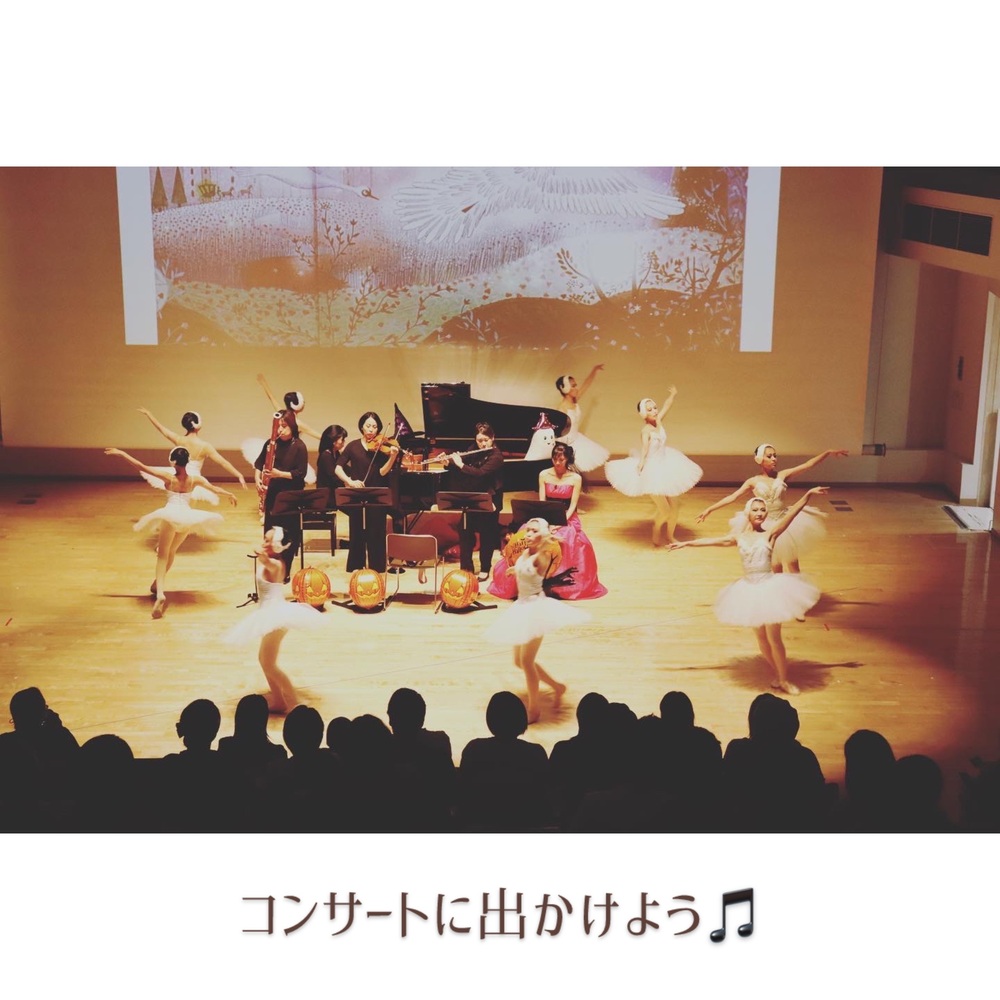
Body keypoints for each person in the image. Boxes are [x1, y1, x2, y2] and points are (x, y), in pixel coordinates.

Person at [668, 486, 830, 695]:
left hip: (770, 589)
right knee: (761, 639)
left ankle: (783, 679)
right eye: (756, 510)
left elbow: (791, 515)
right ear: (748, 513)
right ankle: (778, 674)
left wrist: (807, 495)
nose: (760, 513)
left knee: (774, 639)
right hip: (749, 591)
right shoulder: (739, 537)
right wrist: (687, 544)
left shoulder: (771, 534)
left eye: (762, 510)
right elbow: (713, 541)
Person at [105, 445, 237, 618]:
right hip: (187, 518)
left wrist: (122, 454)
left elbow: (141, 466)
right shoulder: (194, 480)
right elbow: (215, 489)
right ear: (187, 462)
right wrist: (229, 494)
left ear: (174, 462)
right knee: (172, 551)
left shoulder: (168, 478)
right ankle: (156, 584)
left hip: (170, 516)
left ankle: (160, 594)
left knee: (162, 554)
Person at [483, 518, 590, 723]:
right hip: (522, 606)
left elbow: (541, 559)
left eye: (534, 531)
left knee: (526, 661)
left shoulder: (542, 555)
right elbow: (524, 568)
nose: (529, 534)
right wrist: (515, 570)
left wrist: (547, 539)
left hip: (535, 609)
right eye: (528, 531)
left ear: (542, 535)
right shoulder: (526, 552)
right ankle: (558, 687)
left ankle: (534, 709)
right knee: (518, 661)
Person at [694, 444, 848, 572]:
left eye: (775, 455)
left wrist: (827, 453)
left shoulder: (783, 475)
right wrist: (710, 509)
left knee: (793, 565)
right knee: (776, 565)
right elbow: (732, 497)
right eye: (769, 456)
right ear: (760, 459)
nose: (774, 458)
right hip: (766, 525)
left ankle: (797, 594)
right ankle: (780, 594)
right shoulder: (753, 481)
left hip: (785, 522)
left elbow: (808, 465)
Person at [223, 527, 325, 713]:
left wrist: (261, 551)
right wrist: (264, 548)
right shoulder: (272, 561)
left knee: (269, 663)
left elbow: (263, 558)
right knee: (264, 660)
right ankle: (279, 701)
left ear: (277, 545)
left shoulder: (276, 564)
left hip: (275, 617)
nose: (264, 543)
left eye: (268, 541)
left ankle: (295, 704)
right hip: (270, 614)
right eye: (264, 539)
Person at [488, 442, 607, 600]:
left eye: (561, 460)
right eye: (554, 459)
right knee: (527, 532)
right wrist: (545, 524)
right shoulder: (544, 474)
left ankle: (556, 584)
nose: (557, 463)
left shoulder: (575, 478)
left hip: (567, 517)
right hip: (546, 516)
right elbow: (542, 502)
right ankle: (527, 579)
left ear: (567, 459)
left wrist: (559, 523)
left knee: (567, 537)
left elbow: (573, 506)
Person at [604, 389, 703, 546]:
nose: (655, 411)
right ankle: (656, 528)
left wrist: (672, 394)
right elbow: (644, 448)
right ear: (644, 414)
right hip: (653, 471)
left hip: (667, 465)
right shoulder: (646, 431)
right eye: (650, 410)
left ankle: (670, 536)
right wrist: (641, 463)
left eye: (655, 408)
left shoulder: (659, 421)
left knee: (675, 508)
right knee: (665, 510)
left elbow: (667, 406)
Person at [136, 406, 247, 503]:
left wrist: (149, 414)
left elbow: (161, 429)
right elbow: (223, 462)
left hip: (178, 476)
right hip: (193, 480)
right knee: (188, 506)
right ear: (197, 425)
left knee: (177, 501)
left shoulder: (179, 439)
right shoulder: (204, 446)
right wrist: (238, 475)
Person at [335, 410, 401, 573]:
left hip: (376, 494)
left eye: (375, 426)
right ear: (362, 427)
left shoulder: (382, 447)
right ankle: (356, 566)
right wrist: (349, 481)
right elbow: (338, 468)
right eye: (368, 426)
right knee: (356, 530)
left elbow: (382, 472)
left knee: (377, 532)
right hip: (357, 494)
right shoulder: (353, 446)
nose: (371, 429)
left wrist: (392, 457)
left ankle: (377, 568)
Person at [442, 421, 504, 580]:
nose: (482, 444)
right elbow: (463, 466)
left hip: (490, 498)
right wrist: (448, 463)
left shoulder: (496, 456)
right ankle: (466, 568)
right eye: (479, 440)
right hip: (472, 497)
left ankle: (485, 569)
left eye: (486, 440)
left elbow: (480, 473)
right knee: (465, 531)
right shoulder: (473, 449)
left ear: (493, 438)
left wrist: (460, 464)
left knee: (487, 535)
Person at [253, 410, 308, 580]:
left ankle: (284, 572)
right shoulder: (271, 444)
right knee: (270, 533)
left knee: (287, 535)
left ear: (292, 427)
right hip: (273, 495)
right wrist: (258, 480)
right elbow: (259, 465)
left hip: (290, 497)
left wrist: (279, 474)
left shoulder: (299, 446)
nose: (280, 430)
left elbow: (300, 474)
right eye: (278, 427)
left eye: (284, 426)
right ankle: (270, 570)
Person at [555, 363, 610, 472]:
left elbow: (586, 384)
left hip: (577, 438)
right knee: (569, 470)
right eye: (573, 386)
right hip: (567, 443)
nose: (576, 388)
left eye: (575, 385)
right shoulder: (562, 408)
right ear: (565, 389)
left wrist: (594, 370)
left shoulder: (575, 400)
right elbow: (558, 430)